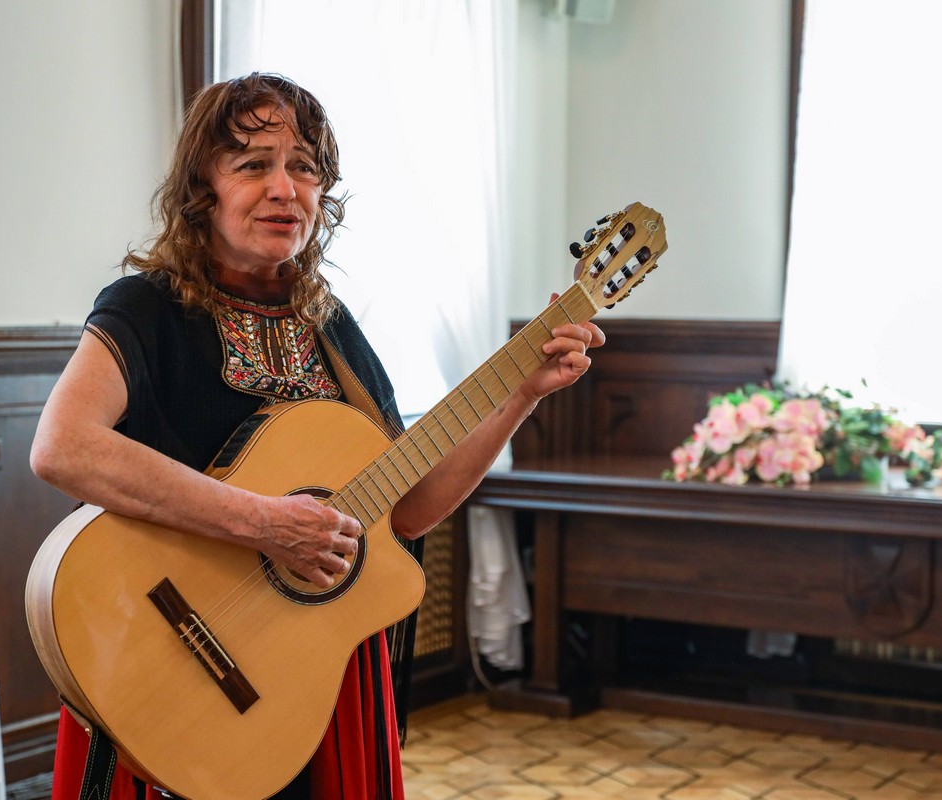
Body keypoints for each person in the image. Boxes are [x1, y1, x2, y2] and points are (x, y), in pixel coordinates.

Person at [30, 72, 604, 800]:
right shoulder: (146, 308)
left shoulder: (330, 326)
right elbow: (64, 447)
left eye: (303, 167)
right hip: (157, 650)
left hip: (306, 668)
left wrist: (521, 392)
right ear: (202, 188)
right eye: (253, 164)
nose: (284, 189)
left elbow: (409, 507)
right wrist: (267, 524)